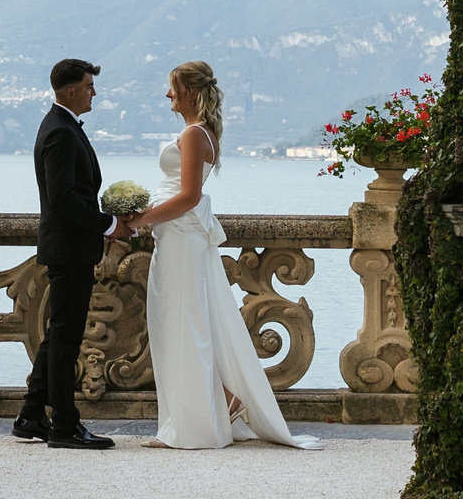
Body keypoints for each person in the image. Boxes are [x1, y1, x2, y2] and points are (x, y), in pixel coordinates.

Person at [122, 60, 323, 450]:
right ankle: (218, 404)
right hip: (176, 236)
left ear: (190, 92)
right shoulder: (198, 132)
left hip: (181, 238)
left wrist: (140, 220)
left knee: (185, 326)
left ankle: (196, 424)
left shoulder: (195, 134)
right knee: (182, 324)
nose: (168, 94)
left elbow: (188, 196)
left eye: (173, 87)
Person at [17, 56, 132, 450]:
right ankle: (64, 425)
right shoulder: (61, 132)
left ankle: (31, 414)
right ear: (70, 92)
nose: (93, 93)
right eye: (88, 87)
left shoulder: (60, 126)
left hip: (68, 248)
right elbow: (63, 198)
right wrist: (109, 224)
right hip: (69, 249)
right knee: (66, 340)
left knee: (58, 336)